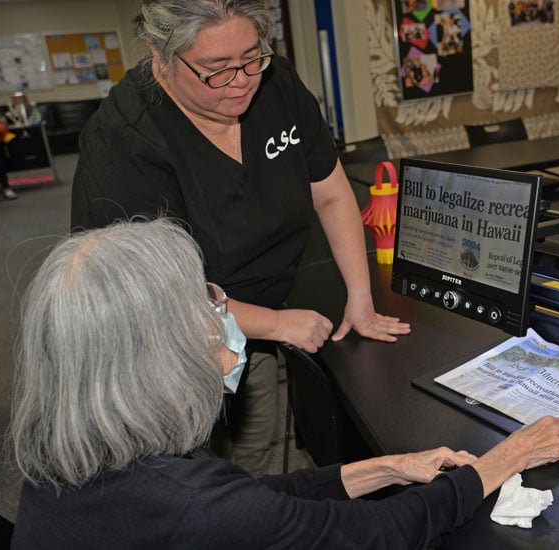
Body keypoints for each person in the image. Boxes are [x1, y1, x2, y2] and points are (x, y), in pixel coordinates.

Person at [10, 219, 559, 547]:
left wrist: (384, 467)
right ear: (155, 362)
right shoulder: (195, 504)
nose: (223, 321)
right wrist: (501, 461)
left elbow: (254, 505)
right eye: (207, 312)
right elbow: (375, 536)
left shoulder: (66, 457)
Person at [70, 0, 409, 476]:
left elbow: (331, 194)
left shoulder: (278, 85)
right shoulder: (123, 142)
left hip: (253, 319)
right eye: (216, 69)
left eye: (252, 57)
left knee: (252, 457)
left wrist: (360, 297)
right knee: (183, 475)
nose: (242, 80)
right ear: (159, 56)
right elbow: (148, 300)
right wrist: (275, 324)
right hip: (163, 343)